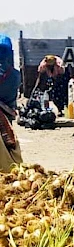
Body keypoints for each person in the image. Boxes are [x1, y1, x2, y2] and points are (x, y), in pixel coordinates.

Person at [0, 35, 22, 172]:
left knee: (6, 144)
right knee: (8, 143)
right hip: (6, 115)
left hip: (4, 114)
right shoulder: (15, 74)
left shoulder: (13, 75)